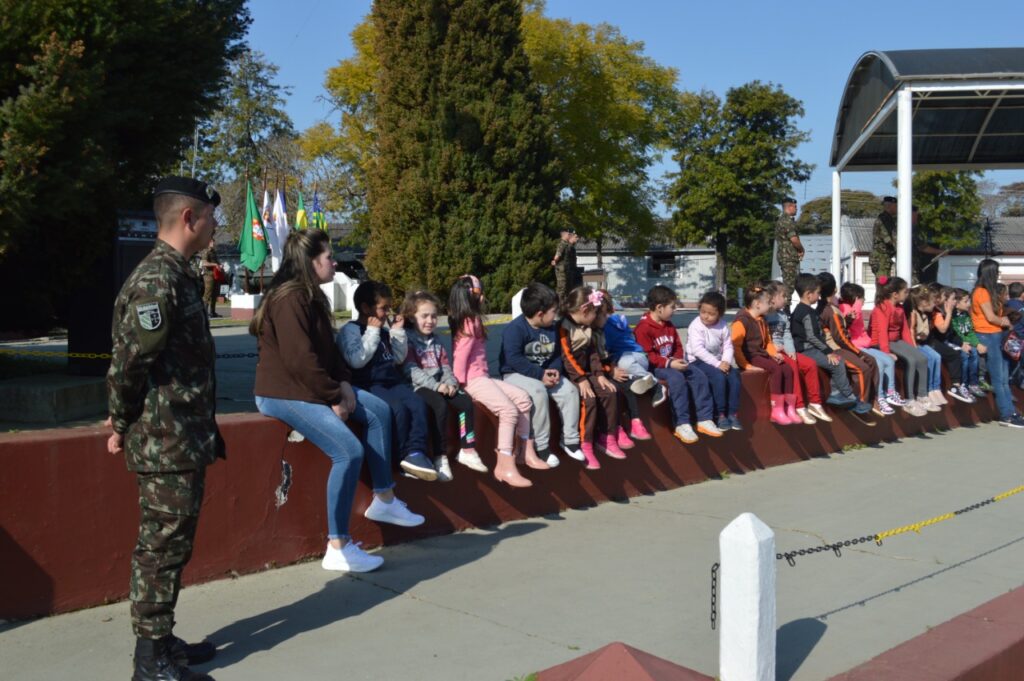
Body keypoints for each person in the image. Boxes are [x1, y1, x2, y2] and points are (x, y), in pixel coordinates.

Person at [106, 176, 224, 680]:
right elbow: (129, 362)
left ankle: (163, 637)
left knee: (173, 544)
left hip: (184, 435)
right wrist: (119, 419)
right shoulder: (158, 281)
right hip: (164, 439)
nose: (216, 225)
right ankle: (149, 660)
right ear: (189, 218)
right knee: (160, 545)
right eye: (211, 216)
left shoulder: (179, 275)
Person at [253, 230, 424, 576]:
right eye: (328, 257)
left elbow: (328, 354)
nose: (334, 262)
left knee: (378, 410)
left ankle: (384, 499)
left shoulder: (314, 296)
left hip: (311, 387)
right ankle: (338, 546)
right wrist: (333, 396)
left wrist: (344, 383)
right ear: (310, 261)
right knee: (348, 450)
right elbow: (300, 361)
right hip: (281, 394)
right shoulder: (288, 300)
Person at [450, 274, 546, 487]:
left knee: (523, 399)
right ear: (470, 297)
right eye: (478, 293)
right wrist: (457, 385)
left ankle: (525, 451)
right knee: (508, 410)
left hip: (482, 377)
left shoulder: (471, 320)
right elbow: (460, 358)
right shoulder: (469, 322)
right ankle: (504, 463)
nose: (482, 297)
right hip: (473, 381)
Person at [339, 281, 438, 481]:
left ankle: (416, 452)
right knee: (397, 409)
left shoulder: (384, 331)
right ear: (366, 308)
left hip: (392, 382)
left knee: (418, 404)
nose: (387, 312)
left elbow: (398, 358)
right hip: (369, 384)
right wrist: (372, 332)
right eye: (383, 308)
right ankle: (401, 456)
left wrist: (397, 332)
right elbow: (356, 360)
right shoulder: (351, 330)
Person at [401, 290, 486, 480]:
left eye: (433, 316)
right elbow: (411, 370)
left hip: (441, 383)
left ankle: (468, 448)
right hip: (419, 387)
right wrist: (436, 386)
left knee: (465, 402)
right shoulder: (408, 339)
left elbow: (445, 365)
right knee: (439, 405)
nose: (430, 320)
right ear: (411, 317)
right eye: (424, 316)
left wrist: (450, 383)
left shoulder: (436, 340)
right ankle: (440, 456)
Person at [499, 281, 583, 467]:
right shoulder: (515, 329)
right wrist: (539, 375)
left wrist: (554, 371)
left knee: (569, 391)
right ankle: (541, 445)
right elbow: (513, 359)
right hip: (515, 374)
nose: (556, 316)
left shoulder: (551, 328)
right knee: (538, 392)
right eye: (553, 311)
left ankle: (570, 439)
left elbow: (555, 354)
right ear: (540, 314)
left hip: (543, 373)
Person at [635, 285, 723, 442]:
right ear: (659, 307)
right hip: (656, 368)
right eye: (672, 307)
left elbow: (677, 346)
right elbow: (647, 356)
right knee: (677, 379)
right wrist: (670, 364)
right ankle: (682, 423)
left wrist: (676, 359)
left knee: (698, 375)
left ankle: (704, 419)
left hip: (672, 364)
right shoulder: (643, 328)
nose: (675, 310)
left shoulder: (668, 325)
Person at [559, 286, 628, 468]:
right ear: (584, 310)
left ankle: (607, 437)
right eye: (595, 312)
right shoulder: (564, 328)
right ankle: (585, 443)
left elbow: (592, 354)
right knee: (588, 399)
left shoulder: (586, 327)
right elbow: (567, 357)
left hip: (587, 373)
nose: (597, 316)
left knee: (609, 392)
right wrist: (581, 379)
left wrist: (599, 375)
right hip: (571, 375)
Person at [790, 274, 871, 415]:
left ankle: (837, 393)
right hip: (806, 350)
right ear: (809, 295)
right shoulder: (806, 312)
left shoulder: (807, 310)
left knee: (836, 363)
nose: (819, 295)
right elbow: (812, 337)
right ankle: (849, 396)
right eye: (817, 293)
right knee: (837, 363)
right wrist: (828, 352)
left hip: (811, 348)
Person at [815, 273, 885, 416]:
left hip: (840, 346)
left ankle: (872, 398)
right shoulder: (830, 310)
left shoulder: (829, 307)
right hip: (836, 349)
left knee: (872, 361)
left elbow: (839, 329)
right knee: (863, 368)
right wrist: (858, 352)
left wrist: (847, 321)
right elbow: (840, 338)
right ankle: (860, 403)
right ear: (834, 289)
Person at [731, 283, 801, 425]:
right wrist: (746, 365)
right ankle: (777, 409)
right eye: (768, 303)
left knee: (786, 368)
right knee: (775, 369)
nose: (770, 306)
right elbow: (735, 347)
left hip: (761, 353)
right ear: (757, 304)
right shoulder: (742, 321)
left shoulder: (762, 319)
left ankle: (789, 407)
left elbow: (768, 341)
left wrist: (774, 353)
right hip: (751, 356)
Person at [592, 290, 655, 445]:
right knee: (613, 389)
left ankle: (635, 422)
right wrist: (610, 370)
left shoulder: (603, 328)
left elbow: (606, 355)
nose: (606, 318)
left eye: (606, 314)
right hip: (597, 373)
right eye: (603, 315)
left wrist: (611, 368)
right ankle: (615, 428)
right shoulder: (590, 332)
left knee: (627, 384)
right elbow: (591, 360)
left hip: (609, 367)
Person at [764, 281, 829, 424]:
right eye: (783, 296)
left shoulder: (783, 315)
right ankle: (798, 406)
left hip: (786, 350)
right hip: (773, 352)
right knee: (792, 366)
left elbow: (786, 334)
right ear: (772, 298)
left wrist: (791, 350)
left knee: (810, 364)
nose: (786, 299)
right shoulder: (765, 316)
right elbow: (765, 337)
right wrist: (775, 348)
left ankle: (815, 403)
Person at [971, 259, 1023, 427]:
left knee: (1003, 377)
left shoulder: (988, 292)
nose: (999, 274)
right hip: (987, 334)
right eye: (997, 271)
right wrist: (1006, 321)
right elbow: (990, 317)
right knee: (999, 378)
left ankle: (1011, 411)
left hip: (996, 334)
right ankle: (1006, 414)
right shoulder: (981, 292)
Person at [870, 276, 932, 416]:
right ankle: (909, 399)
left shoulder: (899, 308)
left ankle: (922, 395)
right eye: (905, 291)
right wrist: (886, 352)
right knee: (910, 360)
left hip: (896, 341)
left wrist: (912, 347)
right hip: (882, 342)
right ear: (895, 294)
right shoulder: (882, 308)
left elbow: (904, 330)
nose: (907, 294)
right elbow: (882, 333)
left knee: (921, 358)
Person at [839, 282, 904, 411]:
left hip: (865, 344)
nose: (865, 300)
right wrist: (857, 304)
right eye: (863, 298)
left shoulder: (854, 308)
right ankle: (879, 397)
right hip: (855, 346)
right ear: (857, 298)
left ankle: (890, 392)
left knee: (889, 360)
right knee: (878, 363)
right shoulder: (844, 308)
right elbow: (850, 320)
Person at [686, 291, 743, 431]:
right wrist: (718, 364)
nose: (706, 316)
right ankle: (720, 414)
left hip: (717, 361)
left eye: (711, 314)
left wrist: (726, 361)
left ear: (720, 314)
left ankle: (732, 413)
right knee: (718, 377)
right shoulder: (696, 325)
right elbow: (698, 350)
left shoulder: (723, 326)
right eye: (703, 311)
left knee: (734, 376)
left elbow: (728, 346)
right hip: (696, 361)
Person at [601, 291, 664, 405]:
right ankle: (637, 379)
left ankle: (656, 385)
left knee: (624, 363)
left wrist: (609, 367)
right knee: (623, 371)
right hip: (634, 358)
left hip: (632, 357)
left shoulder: (606, 325)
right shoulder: (616, 320)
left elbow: (605, 350)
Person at [948, 288, 987, 397]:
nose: (969, 304)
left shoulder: (965, 315)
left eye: (969, 301)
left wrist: (977, 344)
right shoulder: (952, 316)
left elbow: (970, 332)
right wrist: (964, 343)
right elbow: (955, 334)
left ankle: (973, 384)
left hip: (966, 342)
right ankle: (963, 384)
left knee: (975, 353)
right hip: (957, 343)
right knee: (964, 356)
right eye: (966, 301)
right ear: (957, 303)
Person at [774, 197, 804, 305]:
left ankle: (786, 308)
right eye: (795, 207)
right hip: (788, 257)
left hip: (787, 256)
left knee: (791, 284)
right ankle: (785, 310)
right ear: (790, 206)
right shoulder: (787, 221)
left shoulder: (783, 220)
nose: (796, 209)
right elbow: (794, 240)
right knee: (789, 287)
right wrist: (801, 249)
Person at [869, 196, 898, 279]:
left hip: (883, 257)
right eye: (896, 206)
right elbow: (887, 239)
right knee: (883, 285)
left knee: (884, 284)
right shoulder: (884, 219)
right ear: (891, 206)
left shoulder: (888, 219)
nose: (897, 209)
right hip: (881, 257)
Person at [551, 228, 580, 302]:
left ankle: (565, 304)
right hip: (562, 270)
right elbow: (557, 255)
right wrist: (555, 260)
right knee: (562, 288)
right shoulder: (562, 244)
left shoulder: (568, 245)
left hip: (567, 269)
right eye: (569, 234)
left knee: (567, 288)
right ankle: (558, 305)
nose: (569, 235)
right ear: (565, 234)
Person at [197, 239, 221, 318]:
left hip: (215, 274)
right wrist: (214, 264)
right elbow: (204, 263)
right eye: (211, 242)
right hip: (208, 275)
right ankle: (204, 312)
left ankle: (212, 312)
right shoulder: (205, 251)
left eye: (214, 242)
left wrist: (220, 265)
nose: (213, 243)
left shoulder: (213, 252)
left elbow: (217, 262)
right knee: (208, 293)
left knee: (215, 294)